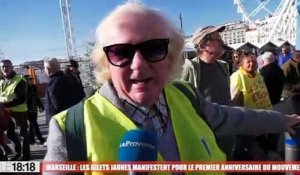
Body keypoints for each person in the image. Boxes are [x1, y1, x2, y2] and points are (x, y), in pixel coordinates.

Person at [45, 2, 300, 174]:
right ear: (106, 62)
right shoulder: (70, 129)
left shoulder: (185, 96)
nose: (138, 64)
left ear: (171, 57)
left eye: (153, 48)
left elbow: (233, 117)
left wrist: (282, 120)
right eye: (121, 52)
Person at [181, 25, 234, 157]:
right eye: (216, 38)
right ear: (203, 45)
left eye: (220, 37)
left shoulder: (223, 66)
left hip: (226, 128)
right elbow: (181, 101)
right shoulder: (191, 68)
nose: (221, 40)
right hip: (205, 133)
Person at [230, 52, 275, 161]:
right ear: (241, 64)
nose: (252, 64)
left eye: (254, 62)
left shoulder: (258, 74)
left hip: (265, 115)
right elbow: (233, 98)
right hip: (250, 119)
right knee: (252, 147)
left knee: (263, 142)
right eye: (248, 62)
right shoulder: (237, 76)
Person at [0, 59, 31, 160]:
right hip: (5, 112)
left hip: (19, 112)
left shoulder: (19, 80)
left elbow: (22, 99)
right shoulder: (2, 80)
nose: (5, 68)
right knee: (10, 133)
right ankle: (16, 151)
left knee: (23, 134)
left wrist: (5, 104)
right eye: (3, 66)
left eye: (7, 66)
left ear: (12, 67)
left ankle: (25, 155)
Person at [44, 58, 71, 125]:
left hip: (58, 119)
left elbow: (56, 103)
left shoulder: (53, 82)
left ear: (48, 69)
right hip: (67, 116)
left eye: (44, 68)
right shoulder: (65, 78)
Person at [24, 75, 46, 144]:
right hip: (27, 109)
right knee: (33, 124)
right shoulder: (24, 89)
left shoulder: (33, 87)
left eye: (31, 79)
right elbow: (25, 100)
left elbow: (36, 97)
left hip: (34, 108)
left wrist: (40, 105)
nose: (31, 80)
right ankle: (39, 138)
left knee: (33, 124)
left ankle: (32, 139)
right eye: (29, 79)